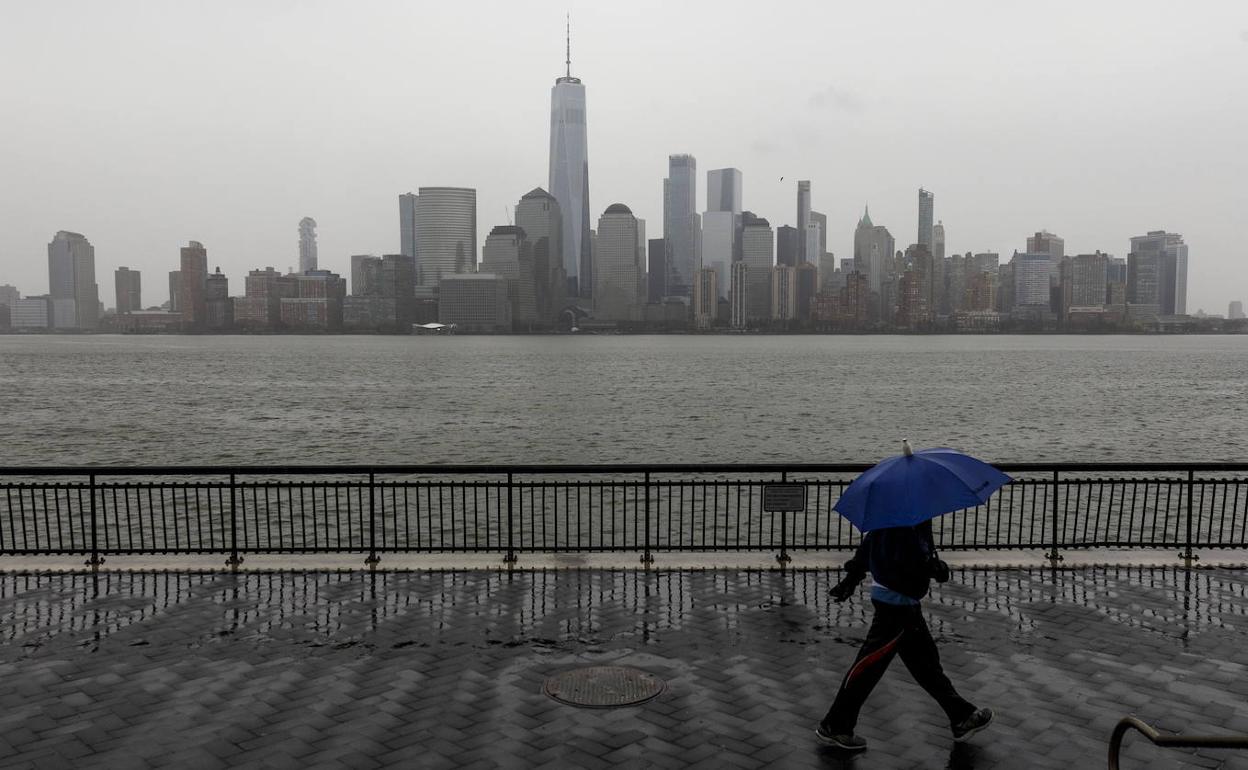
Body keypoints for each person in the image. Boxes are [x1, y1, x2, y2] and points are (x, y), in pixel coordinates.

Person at [816, 519, 993, 753]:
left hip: (901, 601)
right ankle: (835, 725)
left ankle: (961, 717)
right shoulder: (905, 519)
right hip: (896, 605)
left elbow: (871, 546)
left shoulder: (901, 515)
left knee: (927, 665)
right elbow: (906, 559)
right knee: (868, 666)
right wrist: (934, 568)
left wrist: (851, 579)